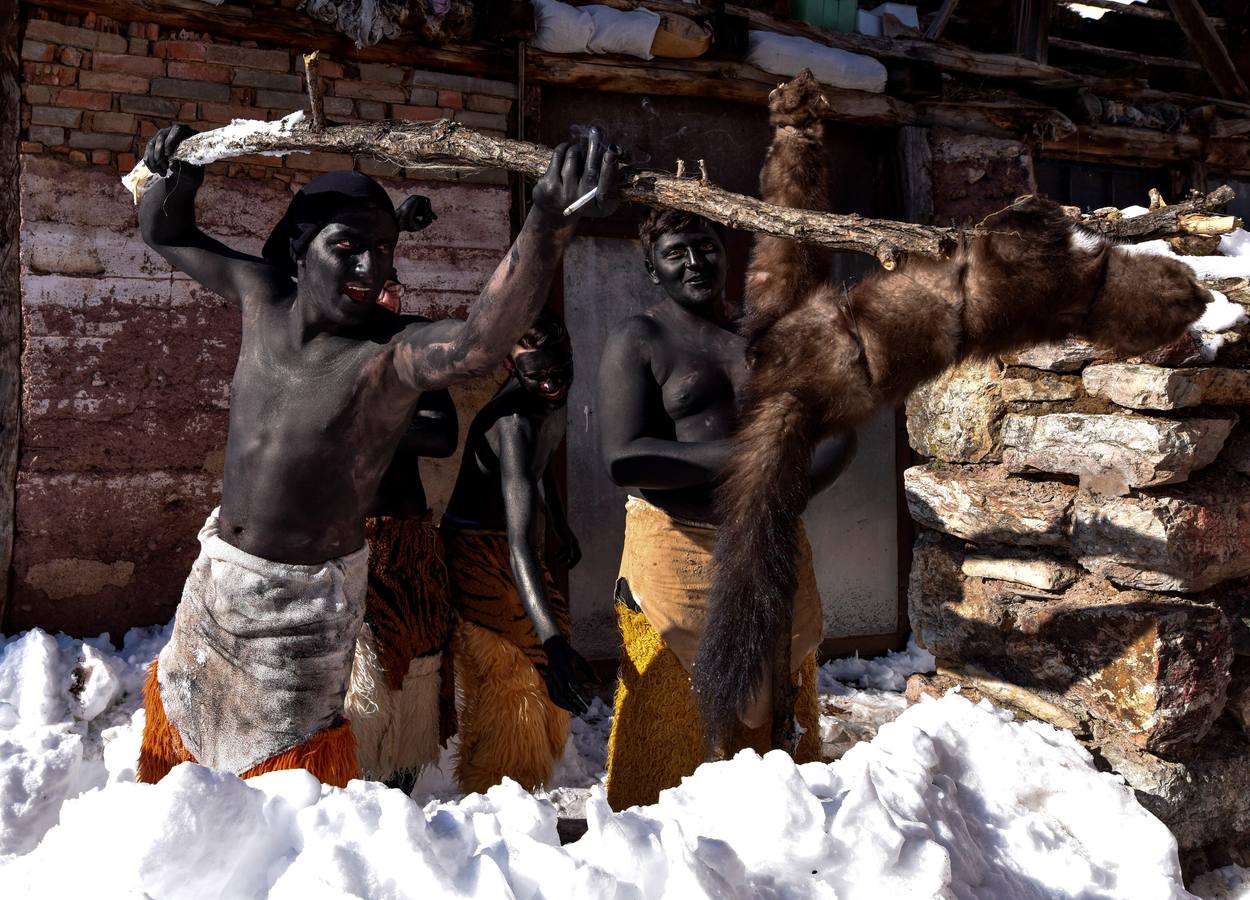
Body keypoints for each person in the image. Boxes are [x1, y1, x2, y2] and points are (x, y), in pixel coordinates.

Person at [134, 121, 618, 787]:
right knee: (185, 750)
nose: (373, 267)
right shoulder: (262, 298)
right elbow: (167, 231)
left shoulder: (388, 357)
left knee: (280, 785)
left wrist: (546, 220)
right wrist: (174, 174)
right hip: (215, 586)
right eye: (350, 247)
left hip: (301, 616)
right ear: (300, 249)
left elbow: (479, 341)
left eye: (384, 249)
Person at [597, 208, 856, 809]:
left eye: (706, 246)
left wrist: (789, 491)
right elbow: (623, 459)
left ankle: (774, 836)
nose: (694, 263)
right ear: (650, 267)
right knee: (669, 706)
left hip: (765, 536)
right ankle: (651, 844)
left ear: (726, 250)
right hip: (674, 545)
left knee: (774, 693)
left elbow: (840, 429)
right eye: (675, 253)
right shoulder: (640, 337)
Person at [442, 309, 595, 793]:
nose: (552, 384)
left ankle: (535, 774)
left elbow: (539, 465)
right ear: (512, 369)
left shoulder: (549, 398)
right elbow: (520, 545)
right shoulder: (512, 422)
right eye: (538, 375)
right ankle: (495, 787)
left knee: (551, 642)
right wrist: (550, 642)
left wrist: (562, 521)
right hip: (480, 548)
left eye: (560, 370)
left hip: (512, 542)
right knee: (518, 663)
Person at [344, 389, 460, 792]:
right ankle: (352, 792)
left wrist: (358, 418)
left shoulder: (406, 350)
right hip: (344, 548)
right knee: (360, 673)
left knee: (418, 668)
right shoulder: (321, 352)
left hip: (407, 547)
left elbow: (441, 437)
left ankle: (397, 795)